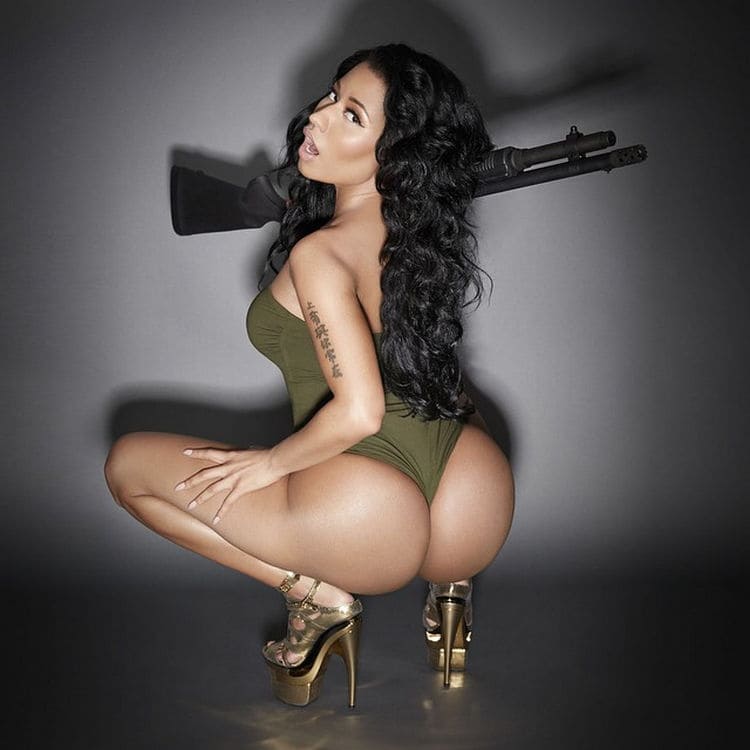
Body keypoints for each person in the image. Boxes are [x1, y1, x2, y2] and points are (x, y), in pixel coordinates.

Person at [104, 43, 514, 708]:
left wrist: (268, 466)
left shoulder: (321, 254)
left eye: (351, 115)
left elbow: (361, 413)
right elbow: (436, 371)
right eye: (331, 95)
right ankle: (452, 592)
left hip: (368, 516)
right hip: (472, 497)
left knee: (127, 467)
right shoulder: (420, 235)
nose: (317, 117)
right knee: (445, 383)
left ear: (393, 156)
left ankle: (314, 597)